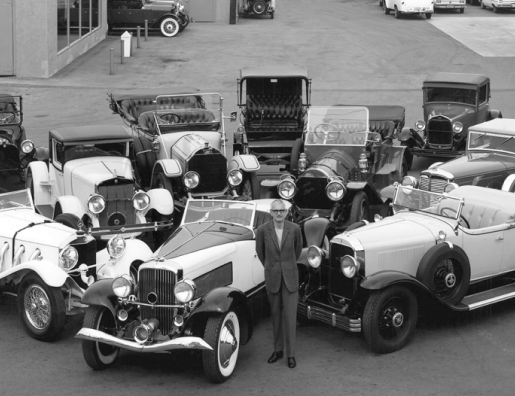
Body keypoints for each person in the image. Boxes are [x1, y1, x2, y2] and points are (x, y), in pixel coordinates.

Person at [255, 199, 302, 369]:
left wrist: (287, 267)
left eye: (282, 210)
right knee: (275, 316)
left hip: (290, 278)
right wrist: (272, 268)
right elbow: (260, 253)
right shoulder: (262, 230)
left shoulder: (295, 229)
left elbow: (297, 251)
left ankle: (290, 354)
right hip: (273, 278)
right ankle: (278, 350)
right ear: (271, 212)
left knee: (290, 317)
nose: (279, 214)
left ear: (287, 212)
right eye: (276, 211)